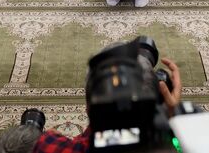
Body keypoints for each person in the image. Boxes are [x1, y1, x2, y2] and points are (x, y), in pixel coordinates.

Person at [33, 53, 182, 152]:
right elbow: (180, 146)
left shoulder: (49, 144)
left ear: (89, 109)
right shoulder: (175, 143)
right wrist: (171, 115)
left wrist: (50, 135)